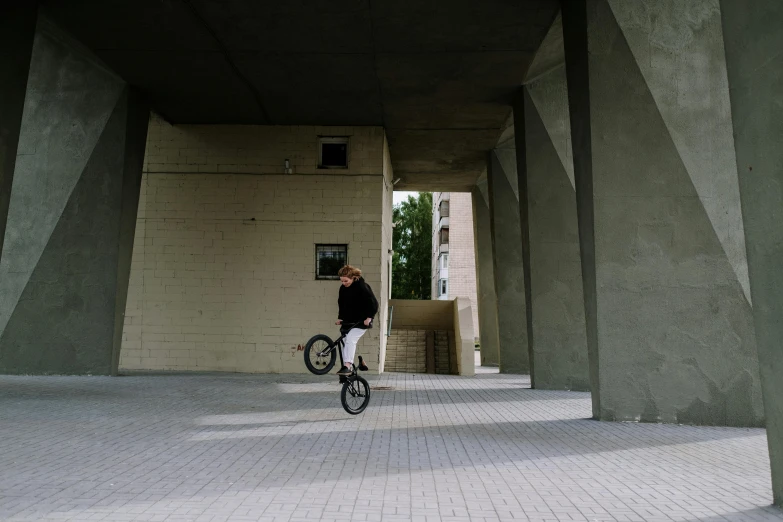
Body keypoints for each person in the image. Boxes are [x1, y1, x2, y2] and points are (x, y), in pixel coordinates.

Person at [335, 265, 378, 376]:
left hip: (361, 321)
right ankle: (359, 361)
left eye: (346, 281)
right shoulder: (343, 288)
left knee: (350, 340)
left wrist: (369, 317)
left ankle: (347, 366)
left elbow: (373, 303)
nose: (344, 283)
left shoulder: (362, 286)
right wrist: (340, 318)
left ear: (353, 277)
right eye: (342, 281)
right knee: (346, 343)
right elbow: (341, 304)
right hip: (349, 321)